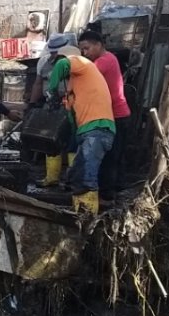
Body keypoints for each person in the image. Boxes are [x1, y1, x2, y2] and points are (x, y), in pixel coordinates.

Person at [45, 45, 115, 214]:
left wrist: (51, 91)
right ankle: (79, 213)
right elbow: (71, 116)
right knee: (76, 174)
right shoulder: (75, 84)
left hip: (98, 127)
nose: (58, 66)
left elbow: (62, 64)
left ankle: (87, 218)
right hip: (88, 131)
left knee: (86, 176)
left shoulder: (82, 62)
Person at [77, 30, 131, 206]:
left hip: (115, 115)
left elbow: (84, 75)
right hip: (116, 114)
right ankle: (117, 190)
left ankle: (107, 196)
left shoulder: (103, 61)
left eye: (87, 48)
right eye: (82, 50)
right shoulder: (109, 59)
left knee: (109, 158)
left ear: (99, 45)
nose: (84, 53)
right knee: (116, 156)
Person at [29, 32, 75, 186]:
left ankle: (71, 179)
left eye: (58, 51)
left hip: (69, 104)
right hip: (51, 104)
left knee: (71, 142)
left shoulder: (71, 62)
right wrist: (33, 103)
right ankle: (52, 177)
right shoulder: (43, 62)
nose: (55, 54)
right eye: (53, 51)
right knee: (50, 140)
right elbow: (38, 83)